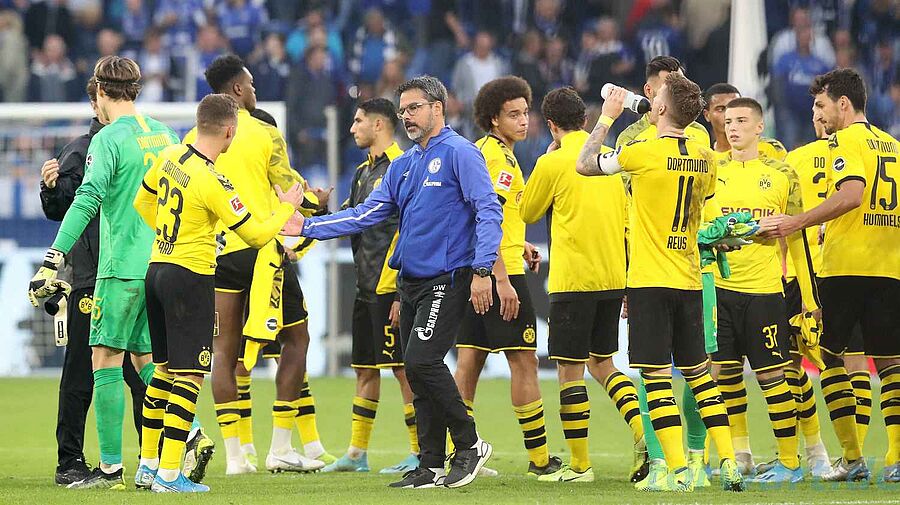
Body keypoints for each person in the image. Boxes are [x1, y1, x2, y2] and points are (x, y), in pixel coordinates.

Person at [298, 75, 502, 489]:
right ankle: (430, 463)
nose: (406, 116)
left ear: (437, 108)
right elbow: (364, 214)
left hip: (448, 277)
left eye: (413, 108)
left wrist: (483, 271)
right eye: (403, 110)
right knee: (415, 368)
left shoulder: (461, 153)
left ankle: (470, 445)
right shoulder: (404, 165)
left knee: (423, 362)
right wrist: (306, 226)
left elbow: (488, 211)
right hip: (409, 282)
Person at [576, 74, 745, 492]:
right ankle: (728, 463)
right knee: (700, 377)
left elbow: (585, 163)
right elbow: (703, 206)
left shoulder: (642, 151)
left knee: (655, 379)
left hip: (650, 280)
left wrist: (607, 117)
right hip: (690, 278)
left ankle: (678, 471)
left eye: (657, 99)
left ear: (664, 107)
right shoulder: (707, 157)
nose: (650, 102)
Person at [132, 93, 307, 493]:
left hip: (156, 270)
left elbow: (143, 201)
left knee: (163, 371)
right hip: (189, 277)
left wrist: (171, 234)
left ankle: (147, 465)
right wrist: (286, 208)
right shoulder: (213, 180)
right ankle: (170, 475)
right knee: (189, 375)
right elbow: (257, 235)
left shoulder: (170, 156)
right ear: (229, 131)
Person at [28, 56, 180, 490]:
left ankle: (110, 468)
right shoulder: (166, 135)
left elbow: (87, 199)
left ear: (98, 92)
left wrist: (53, 257)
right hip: (161, 266)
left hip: (118, 268)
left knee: (104, 361)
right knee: (148, 364)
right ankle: (176, 446)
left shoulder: (107, 139)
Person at [181, 54, 328, 476]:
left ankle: (235, 457)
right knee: (296, 340)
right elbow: (289, 188)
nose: (255, 92)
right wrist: (317, 201)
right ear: (238, 89)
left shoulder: (193, 137)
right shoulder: (264, 133)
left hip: (219, 253)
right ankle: (281, 446)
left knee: (223, 352)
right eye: (251, 85)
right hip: (262, 250)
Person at [762, 68, 900, 484]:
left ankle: (853, 458)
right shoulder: (893, 146)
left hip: (845, 267)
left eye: (821, 105)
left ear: (843, 103)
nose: (819, 115)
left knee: (830, 358)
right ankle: (895, 459)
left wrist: (799, 221)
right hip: (889, 267)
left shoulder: (845, 141)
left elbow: (851, 194)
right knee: (891, 363)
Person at [518, 86, 644, 483]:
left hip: (574, 280)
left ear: (551, 125)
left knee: (569, 371)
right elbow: (628, 222)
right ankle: (645, 434)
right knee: (603, 363)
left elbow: (528, 210)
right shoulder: (610, 160)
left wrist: (545, 160)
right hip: (613, 276)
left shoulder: (553, 162)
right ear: (586, 120)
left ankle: (579, 466)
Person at [39, 77, 148, 486]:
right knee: (83, 373)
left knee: (136, 372)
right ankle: (70, 461)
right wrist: (50, 188)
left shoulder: (135, 141)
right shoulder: (80, 149)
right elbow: (65, 206)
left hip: (127, 270)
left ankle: (152, 455)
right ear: (95, 100)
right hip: (92, 274)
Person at [705, 97, 818, 483]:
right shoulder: (711, 169)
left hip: (764, 292)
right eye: (728, 121)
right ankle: (741, 456)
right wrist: (739, 231)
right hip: (719, 290)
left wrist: (809, 298)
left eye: (741, 121)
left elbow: (798, 238)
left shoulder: (783, 174)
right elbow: (701, 228)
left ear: (759, 127)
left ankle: (790, 462)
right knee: (725, 375)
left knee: (773, 377)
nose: (732, 128)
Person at [613, 54, 712, 490]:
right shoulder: (697, 150)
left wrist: (605, 117)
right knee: (674, 372)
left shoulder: (652, 144)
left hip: (672, 271)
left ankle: (684, 464)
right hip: (672, 269)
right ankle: (672, 462)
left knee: (673, 374)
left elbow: (589, 166)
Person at [454, 76, 559, 479]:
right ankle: (540, 460)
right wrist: (500, 277)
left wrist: (521, 243)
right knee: (524, 362)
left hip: (475, 270)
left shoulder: (487, 151)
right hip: (500, 274)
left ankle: (460, 454)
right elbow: (485, 217)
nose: (523, 120)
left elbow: (498, 216)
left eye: (525, 112)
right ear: (494, 119)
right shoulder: (498, 158)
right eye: (513, 114)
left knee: (469, 362)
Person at [229, 107, 334, 472]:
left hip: (256, 263)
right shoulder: (270, 182)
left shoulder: (280, 182)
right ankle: (255, 449)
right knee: (279, 350)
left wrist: (299, 242)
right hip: (263, 267)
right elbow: (303, 217)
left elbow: (306, 228)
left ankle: (308, 446)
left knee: (281, 358)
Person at [321, 98, 420, 475]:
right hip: (365, 286)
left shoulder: (402, 166)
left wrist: (401, 291)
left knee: (404, 370)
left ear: (378, 125)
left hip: (391, 287)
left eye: (358, 120)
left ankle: (420, 450)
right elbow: (351, 217)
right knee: (364, 369)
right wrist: (318, 212)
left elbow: (411, 228)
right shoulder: (364, 171)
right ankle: (357, 453)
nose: (352, 128)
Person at [703, 83, 787, 160]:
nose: (728, 114)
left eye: (735, 107)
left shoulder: (770, 148)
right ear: (707, 115)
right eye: (720, 109)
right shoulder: (704, 157)